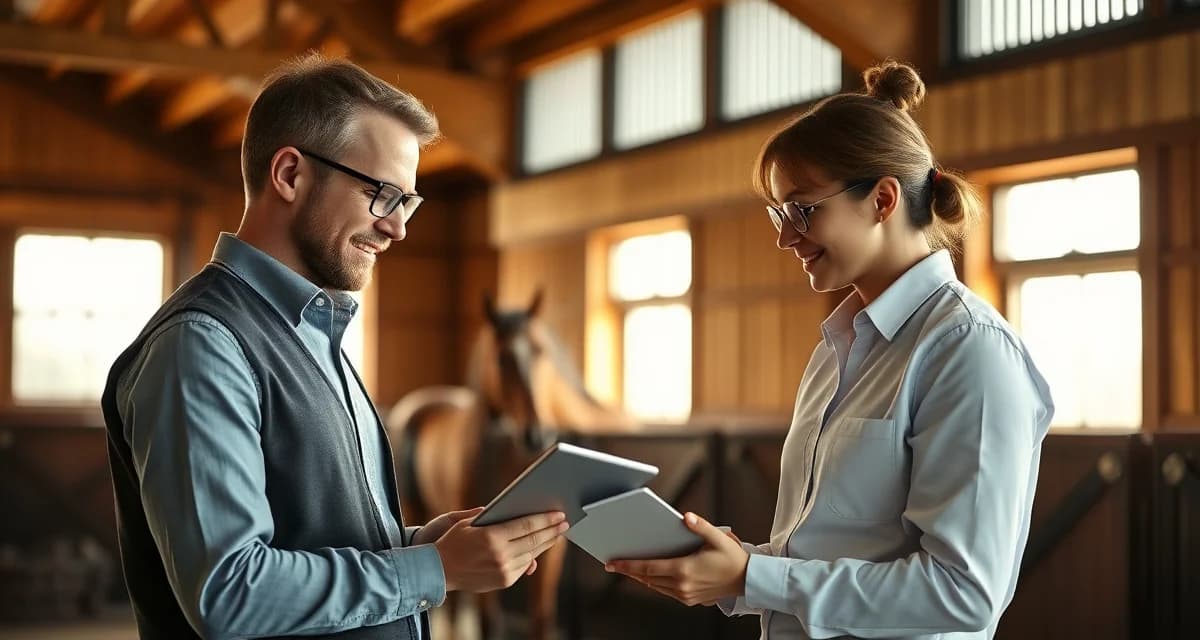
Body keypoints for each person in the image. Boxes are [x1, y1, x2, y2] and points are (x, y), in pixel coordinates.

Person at [100, 53, 567, 640]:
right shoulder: (202, 345)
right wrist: (434, 569)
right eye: (383, 195)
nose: (397, 227)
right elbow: (230, 592)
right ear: (290, 175)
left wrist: (422, 545)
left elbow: (318, 537)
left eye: (407, 203)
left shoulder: (313, 330)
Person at [608, 60, 1054, 640]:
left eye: (802, 210)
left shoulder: (969, 351)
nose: (784, 237)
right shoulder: (838, 349)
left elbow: (963, 593)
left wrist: (753, 575)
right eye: (779, 213)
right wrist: (733, 569)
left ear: (883, 200)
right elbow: (821, 553)